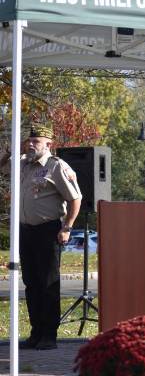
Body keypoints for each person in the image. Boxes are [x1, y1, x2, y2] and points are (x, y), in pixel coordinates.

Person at [18, 124, 82, 350]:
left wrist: (67, 227)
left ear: (49, 144)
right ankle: (36, 332)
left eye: (37, 141)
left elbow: (76, 198)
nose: (31, 144)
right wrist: (8, 152)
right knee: (31, 283)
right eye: (30, 140)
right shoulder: (23, 164)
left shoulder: (56, 166)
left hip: (47, 230)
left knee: (48, 284)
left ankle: (49, 335)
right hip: (25, 231)